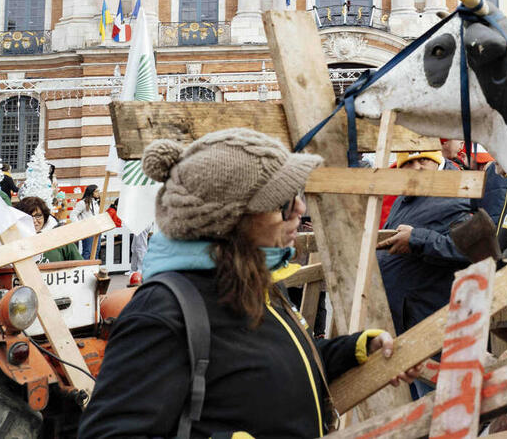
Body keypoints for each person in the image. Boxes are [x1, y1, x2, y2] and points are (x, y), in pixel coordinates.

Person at [80, 128, 415, 439]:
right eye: (282, 202)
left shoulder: (259, 284)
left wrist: (355, 349)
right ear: (233, 219)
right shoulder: (165, 311)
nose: (299, 208)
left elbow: (273, 366)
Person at [377, 150, 470, 399]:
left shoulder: (456, 194)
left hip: (432, 321)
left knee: (441, 401)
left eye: (423, 160)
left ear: (437, 161)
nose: (416, 167)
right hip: (406, 320)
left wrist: (417, 239)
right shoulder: (407, 197)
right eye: (409, 162)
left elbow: (470, 248)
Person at [15, 196, 82, 262]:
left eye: (38, 216)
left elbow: (80, 265)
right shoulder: (14, 241)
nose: (34, 220)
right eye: (28, 217)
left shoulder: (61, 237)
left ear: (45, 217)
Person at [73, 183, 100, 260]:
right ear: (91, 192)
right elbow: (73, 214)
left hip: (97, 229)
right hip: (88, 230)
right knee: (88, 251)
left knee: (96, 251)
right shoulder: (83, 203)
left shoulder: (96, 202)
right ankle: (85, 269)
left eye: (99, 191)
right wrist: (80, 225)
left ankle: (93, 269)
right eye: (96, 191)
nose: (98, 193)